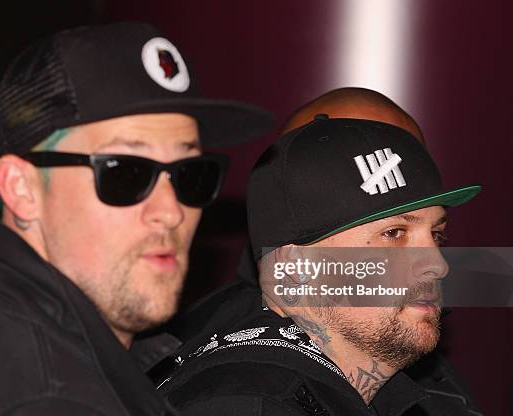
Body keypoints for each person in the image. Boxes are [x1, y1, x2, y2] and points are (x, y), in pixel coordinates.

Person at [0, 22, 272, 415]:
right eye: (124, 173)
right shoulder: (52, 398)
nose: (170, 211)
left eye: (191, 175)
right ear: (21, 188)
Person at [158, 113, 483, 415]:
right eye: (394, 233)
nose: (438, 265)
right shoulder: (248, 403)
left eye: (437, 235)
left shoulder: (358, 392)